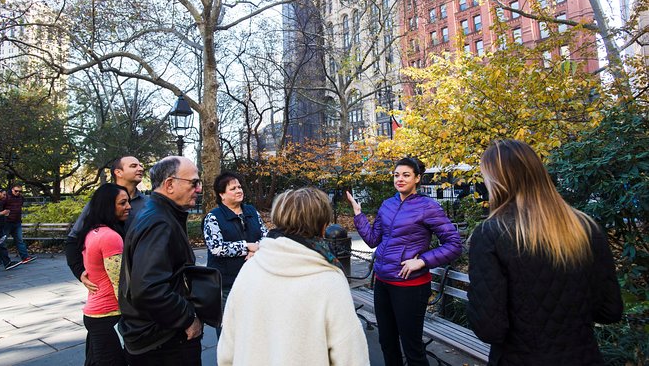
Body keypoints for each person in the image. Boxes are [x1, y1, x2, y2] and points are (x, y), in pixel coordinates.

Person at [466, 139, 623, 365]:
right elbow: (610, 310)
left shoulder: (492, 234)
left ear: (497, 180)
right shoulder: (586, 227)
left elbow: (490, 328)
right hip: (584, 357)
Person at [217, 187, 370, 366]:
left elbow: (227, 347)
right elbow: (350, 357)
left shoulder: (250, 268)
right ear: (323, 226)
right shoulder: (330, 281)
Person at [347, 157, 463, 366]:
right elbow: (373, 240)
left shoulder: (428, 207)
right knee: (387, 342)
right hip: (383, 282)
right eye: (396, 175)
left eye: (406, 175)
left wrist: (422, 261)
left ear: (417, 178)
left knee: (412, 348)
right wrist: (359, 215)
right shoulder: (387, 205)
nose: (399, 179)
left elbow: (454, 244)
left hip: (410, 287)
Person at [118, 156, 203, 365]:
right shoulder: (159, 221)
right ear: (170, 184)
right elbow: (148, 287)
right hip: (163, 341)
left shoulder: (159, 213)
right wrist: (187, 318)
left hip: (153, 335)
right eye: (194, 182)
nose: (199, 189)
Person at [65, 156, 147, 290]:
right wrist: (80, 273)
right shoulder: (100, 201)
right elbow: (73, 239)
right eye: (134, 166)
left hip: (142, 280)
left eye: (140, 165)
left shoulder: (148, 204)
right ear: (118, 172)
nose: (140, 168)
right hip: (108, 288)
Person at [203, 171, 267, 335]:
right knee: (228, 331)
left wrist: (256, 249)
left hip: (254, 280)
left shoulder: (251, 211)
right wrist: (247, 246)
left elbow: (266, 236)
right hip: (227, 284)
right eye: (233, 188)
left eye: (239, 187)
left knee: (254, 329)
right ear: (222, 194)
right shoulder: (213, 217)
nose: (239, 190)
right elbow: (217, 247)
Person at [78, 183, 131, 366]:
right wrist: (133, 315)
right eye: (122, 203)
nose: (128, 207)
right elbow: (119, 282)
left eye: (128, 202)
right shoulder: (110, 237)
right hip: (107, 315)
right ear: (108, 206)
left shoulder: (93, 231)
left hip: (96, 314)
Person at [1, 183, 36, 265]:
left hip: (17, 222)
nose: (18, 193)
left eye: (20, 191)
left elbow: (20, 207)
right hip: (7, 222)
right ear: (12, 189)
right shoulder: (6, 197)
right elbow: (1, 207)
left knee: (20, 240)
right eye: (16, 191)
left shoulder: (20, 197)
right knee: (2, 241)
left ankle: (25, 257)